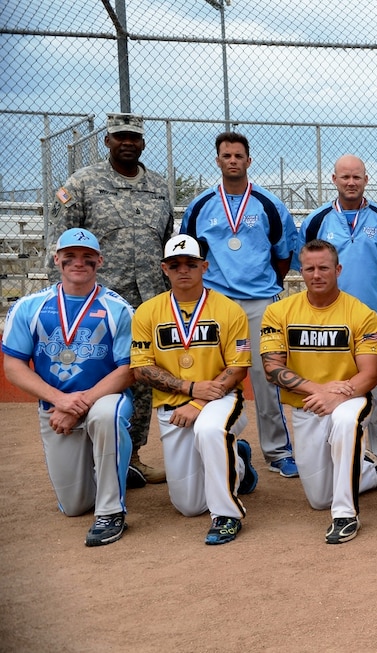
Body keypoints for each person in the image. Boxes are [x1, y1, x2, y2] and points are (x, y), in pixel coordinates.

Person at [47, 112, 173, 485]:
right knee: (96, 373)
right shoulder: (83, 183)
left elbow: (166, 239)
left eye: (133, 137)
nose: (127, 143)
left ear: (143, 142)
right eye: (120, 137)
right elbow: (61, 240)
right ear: (108, 141)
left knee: (141, 376)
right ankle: (90, 459)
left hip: (148, 299)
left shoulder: (159, 186)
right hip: (97, 303)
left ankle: (131, 456)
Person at [261, 240, 377, 545]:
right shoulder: (278, 312)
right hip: (308, 403)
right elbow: (272, 368)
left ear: (337, 269)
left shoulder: (361, 313)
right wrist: (320, 390)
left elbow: (369, 373)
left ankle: (345, 514)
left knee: (345, 422)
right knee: (318, 498)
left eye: (324, 267)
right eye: (309, 268)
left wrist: (338, 395)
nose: (316, 274)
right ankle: (372, 474)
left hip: (350, 399)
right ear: (301, 271)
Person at [3, 228, 135, 546]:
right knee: (74, 507)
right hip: (56, 408)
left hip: (104, 398)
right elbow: (13, 366)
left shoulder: (119, 309)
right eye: (71, 256)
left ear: (99, 261)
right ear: (57, 259)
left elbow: (129, 370)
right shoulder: (29, 307)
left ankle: (111, 512)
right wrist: (60, 400)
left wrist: (80, 403)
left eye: (87, 257)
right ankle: (114, 467)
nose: (79, 262)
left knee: (106, 416)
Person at [180, 132, 300, 479]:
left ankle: (278, 451)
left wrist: (263, 287)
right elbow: (189, 252)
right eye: (226, 155)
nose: (232, 160)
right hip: (215, 302)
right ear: (217, 161)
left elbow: (282, 254)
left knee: (266, 377)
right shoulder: (200, 205)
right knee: (209, 374)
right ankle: (219, 442)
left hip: (259, 301)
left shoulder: (267, 204)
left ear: (249, 161)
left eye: (238, 156)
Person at [130, 234, 258, 545]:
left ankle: (227, 514)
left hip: (222, 399)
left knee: (210, 430)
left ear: (205, 266)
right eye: (175, 265)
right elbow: (141, 368)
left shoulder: (229, 310)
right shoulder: (148, 312)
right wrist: (189, 388)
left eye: (191, 263)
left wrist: (199, 401)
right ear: (164, 268)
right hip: (173, 407)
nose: (183, 270)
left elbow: (238, 367)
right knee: (188, 506)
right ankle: (237, 461)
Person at [299, 154, 377, 473]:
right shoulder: (316, 221)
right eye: (344, 177)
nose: (350, 182)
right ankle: (335, 446)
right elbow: (306, 265)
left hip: (373, 318)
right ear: (333, 179)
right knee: (331, 380)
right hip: (328, 318)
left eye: (356, 177)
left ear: (366, 180)